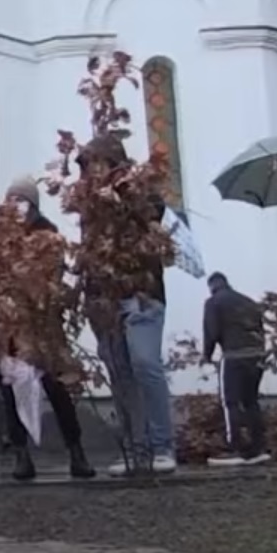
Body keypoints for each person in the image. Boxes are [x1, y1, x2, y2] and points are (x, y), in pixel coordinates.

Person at [78, 135, 178, 476]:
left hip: (141, 293)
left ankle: (162, 445)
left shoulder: (139, 193)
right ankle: (136, 448)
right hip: (105, 298)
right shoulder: (88, 204)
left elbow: (155, 215)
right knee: (119, 373)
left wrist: (122, 197)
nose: (93, 173)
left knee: (145, 362)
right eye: (88, 167)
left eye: (98, 165)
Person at [0, 178, 93, 481]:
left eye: (21, 200)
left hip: (42, 327)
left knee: (56, 389)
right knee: (9, 391)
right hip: (7, 330)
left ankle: (76, 451)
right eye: (11, 199)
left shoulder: (48, 234)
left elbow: (52, 279)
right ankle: (21, 455)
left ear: (32, 204)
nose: (15, 205)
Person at [202, 271, 270, 467]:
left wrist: (207, 355)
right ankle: (258, 448)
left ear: (212, 286)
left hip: (234, 357)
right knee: (251, 402)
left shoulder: (213, 302)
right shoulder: (249, 302)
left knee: (230, 402)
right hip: (256, 356)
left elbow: (211, 331)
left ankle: (236, 449)